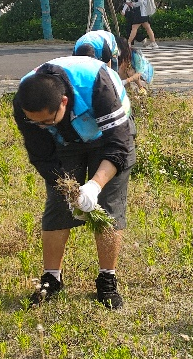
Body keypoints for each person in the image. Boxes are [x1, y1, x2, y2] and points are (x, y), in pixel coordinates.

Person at [13, 55, 136, 309]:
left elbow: (118, 146)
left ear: (64, 102)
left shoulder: (97, 84)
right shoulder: (26, 102)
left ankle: (107, 280)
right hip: (66, 140)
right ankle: (52, 279)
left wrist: (94, 186)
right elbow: (42, 156)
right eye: (35, 122)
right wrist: (68, 188)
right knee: (58, 205)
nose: (40, 126)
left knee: (107, 206)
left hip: (109, 136)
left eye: (46, 121)